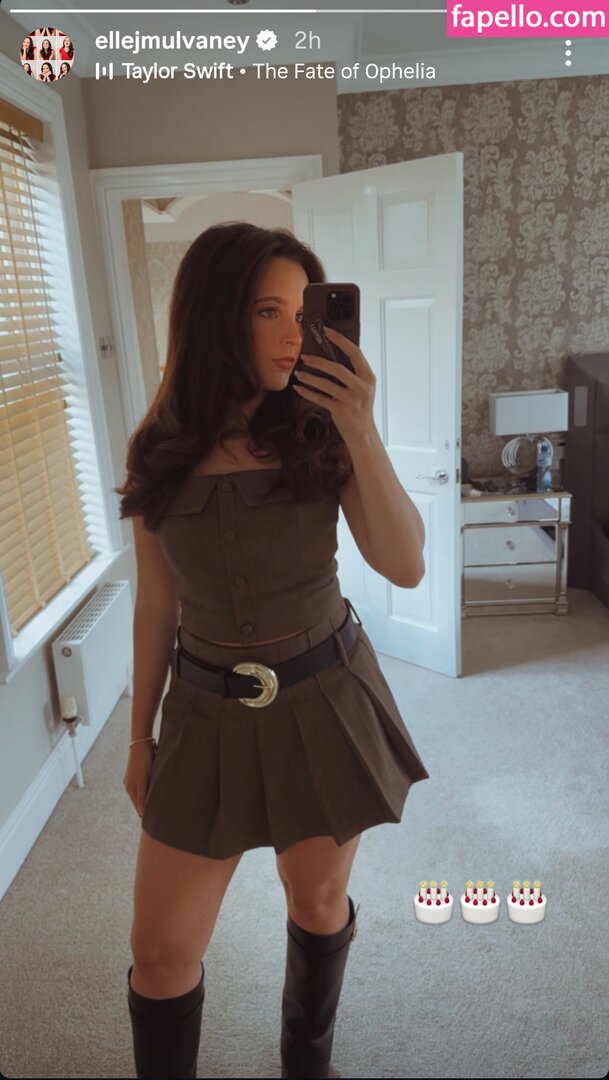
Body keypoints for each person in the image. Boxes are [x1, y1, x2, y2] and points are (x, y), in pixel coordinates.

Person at [116, 221, 429, 1079]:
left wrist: (359, 427)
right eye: (268, 311)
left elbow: (404, 564)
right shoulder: (159, 446)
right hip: (203, 714)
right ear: (217, 317)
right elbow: (156, 603)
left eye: (303, 311)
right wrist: (139, 738)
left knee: (318, 901)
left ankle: (306, 1062)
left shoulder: (322, 430)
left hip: (322, 697)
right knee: (160, 954)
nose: (295, 333)